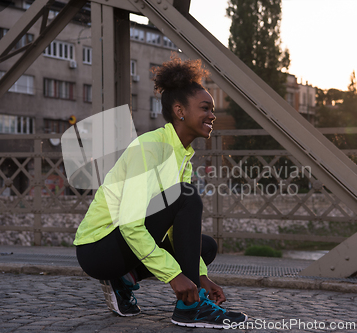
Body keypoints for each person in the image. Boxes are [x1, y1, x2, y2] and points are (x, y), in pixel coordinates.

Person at [74, 55, 247, 328]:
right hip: (98, 248)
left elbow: (172, 229)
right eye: (205, 108)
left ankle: (125, 279)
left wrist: (200, 276)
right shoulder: (151, 147)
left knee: (206, 248)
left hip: (121, 247)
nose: (212, 115)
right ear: (180, 111)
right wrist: (173, 277)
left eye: (212, 109)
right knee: (186, 196)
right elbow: (131, 225)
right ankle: (190, 307)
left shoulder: (181, 155)